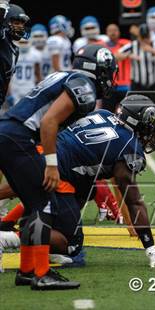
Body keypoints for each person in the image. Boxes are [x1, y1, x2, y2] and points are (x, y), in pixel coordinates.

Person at [0, 95, 155, 271]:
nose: (151, 137)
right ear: (140, 124)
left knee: (86, 189)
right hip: (56, 170)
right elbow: (133, 200)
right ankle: (8, 238)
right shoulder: (130, 147)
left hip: (45, 150)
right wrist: (150, 247)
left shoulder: (104, 114)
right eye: (150, 131)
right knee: (71, 244)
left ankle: (14, 228)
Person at [0, 44, 117, 289]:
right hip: (19, 137)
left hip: (9, 132)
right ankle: (41, 273)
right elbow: (49, 122)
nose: (109, 77)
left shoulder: (65, 75)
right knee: (43, 202)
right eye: (108, 71)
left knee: (34, 203)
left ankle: (27, 271)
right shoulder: (83, 84)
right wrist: (51, 165)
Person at [118, 23, 155, 106]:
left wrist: (153, 50)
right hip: (137, 85)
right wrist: (128, 55)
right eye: (143, 37)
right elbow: (116, 55)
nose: (145, 40)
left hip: (153, 85)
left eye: (147, 37)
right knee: (134, 108)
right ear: (139, 36)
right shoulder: (133, 45)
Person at [0, 1, 30, 107]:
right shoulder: (2, 39)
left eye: (22, 23)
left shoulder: (14, 50)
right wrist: (1, 10)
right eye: (16, 23)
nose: (21, 27)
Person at [103, 23, 131, 112]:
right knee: (108, 112)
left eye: (115, 30)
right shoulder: (101, 45)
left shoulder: (126, 43)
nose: (113, 33)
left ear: (119, 32)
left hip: (125, 85)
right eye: (110, 31)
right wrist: (118, 56)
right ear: (106, 33)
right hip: (109, 85)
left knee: (125, 112)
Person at [9, 38, 42, 105]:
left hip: (30, 87)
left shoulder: (35, 54)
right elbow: (9, 76)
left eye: (25, 43)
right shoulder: (13, 54)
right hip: (16, 89)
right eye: (22, 43)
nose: (23, 45)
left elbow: (37, 74)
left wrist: (40, 87)